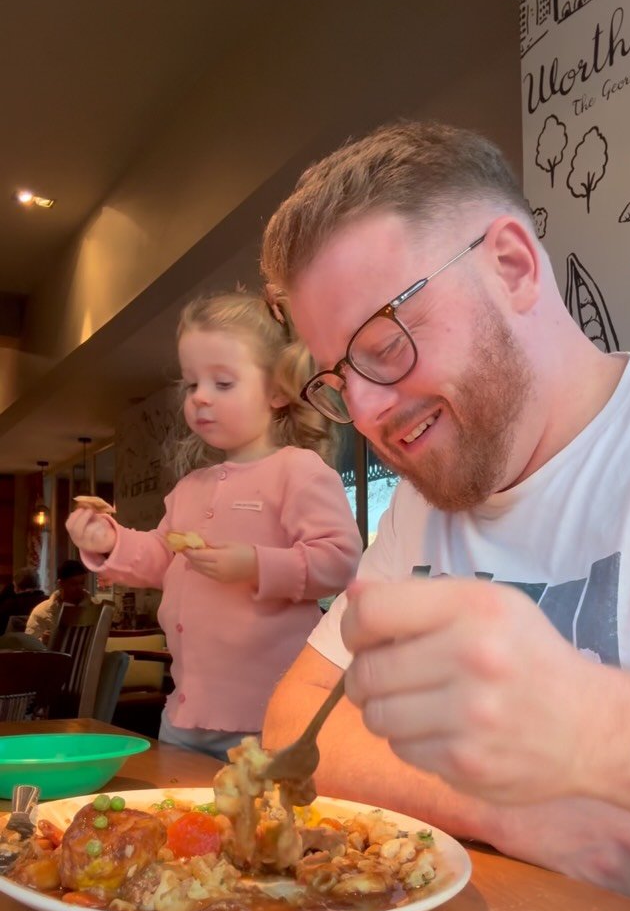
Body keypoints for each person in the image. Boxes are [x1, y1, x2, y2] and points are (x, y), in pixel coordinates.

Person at [259, 119, 630, 911]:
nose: (363, 411)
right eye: (338, 378)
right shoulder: (425, 503)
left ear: (511, 266)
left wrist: (599, 733)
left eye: (384, 343)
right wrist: (509, 805)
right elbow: (293, 719)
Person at [66, 292, 362, 762]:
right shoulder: (190, 487)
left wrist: (255, 564)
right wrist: (109, 541)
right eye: (192, 384)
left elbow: (340, 561)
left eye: (222, 382)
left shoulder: (298, 471)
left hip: (271, 719)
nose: (200, 396)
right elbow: (161, 557)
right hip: (184, 715)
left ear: (277, 390)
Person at [25, 560, 89, 645]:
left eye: (82, 583)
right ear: (61, 583)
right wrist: (43, 641)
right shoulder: (42, 612)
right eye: (73, 584)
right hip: (53, 653)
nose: (79, 588)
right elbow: (29, 645)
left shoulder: (93, 607)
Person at [0, 566, 47, 635]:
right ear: (39, 585)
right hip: (42, 641)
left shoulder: (8, 606)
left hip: (12, 641)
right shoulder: (49, 603)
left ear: (16, 587)